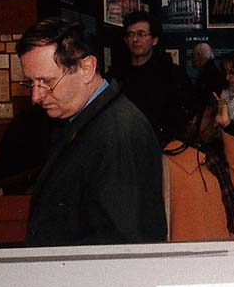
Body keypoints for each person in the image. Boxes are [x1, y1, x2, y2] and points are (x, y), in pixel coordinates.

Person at [16, 18, 166, 246]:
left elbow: (123, 240)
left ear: (86, 68)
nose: (36, 97)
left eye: (46, 82)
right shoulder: (91, 120)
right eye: (31, 83)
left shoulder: (117, 133)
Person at [161, 63, 234, 242]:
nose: (216, 121)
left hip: (229, 252)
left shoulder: (216, 159)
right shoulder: (170, 165)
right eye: (211, 116)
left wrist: (228, 125)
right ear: (193, 120)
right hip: (200, 256)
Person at [110, 10, 188, 144]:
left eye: (141, 34)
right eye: (130, 34)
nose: (135, 39)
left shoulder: (172, 74)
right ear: (126, 40)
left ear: (154, 40)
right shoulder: (116, 75)